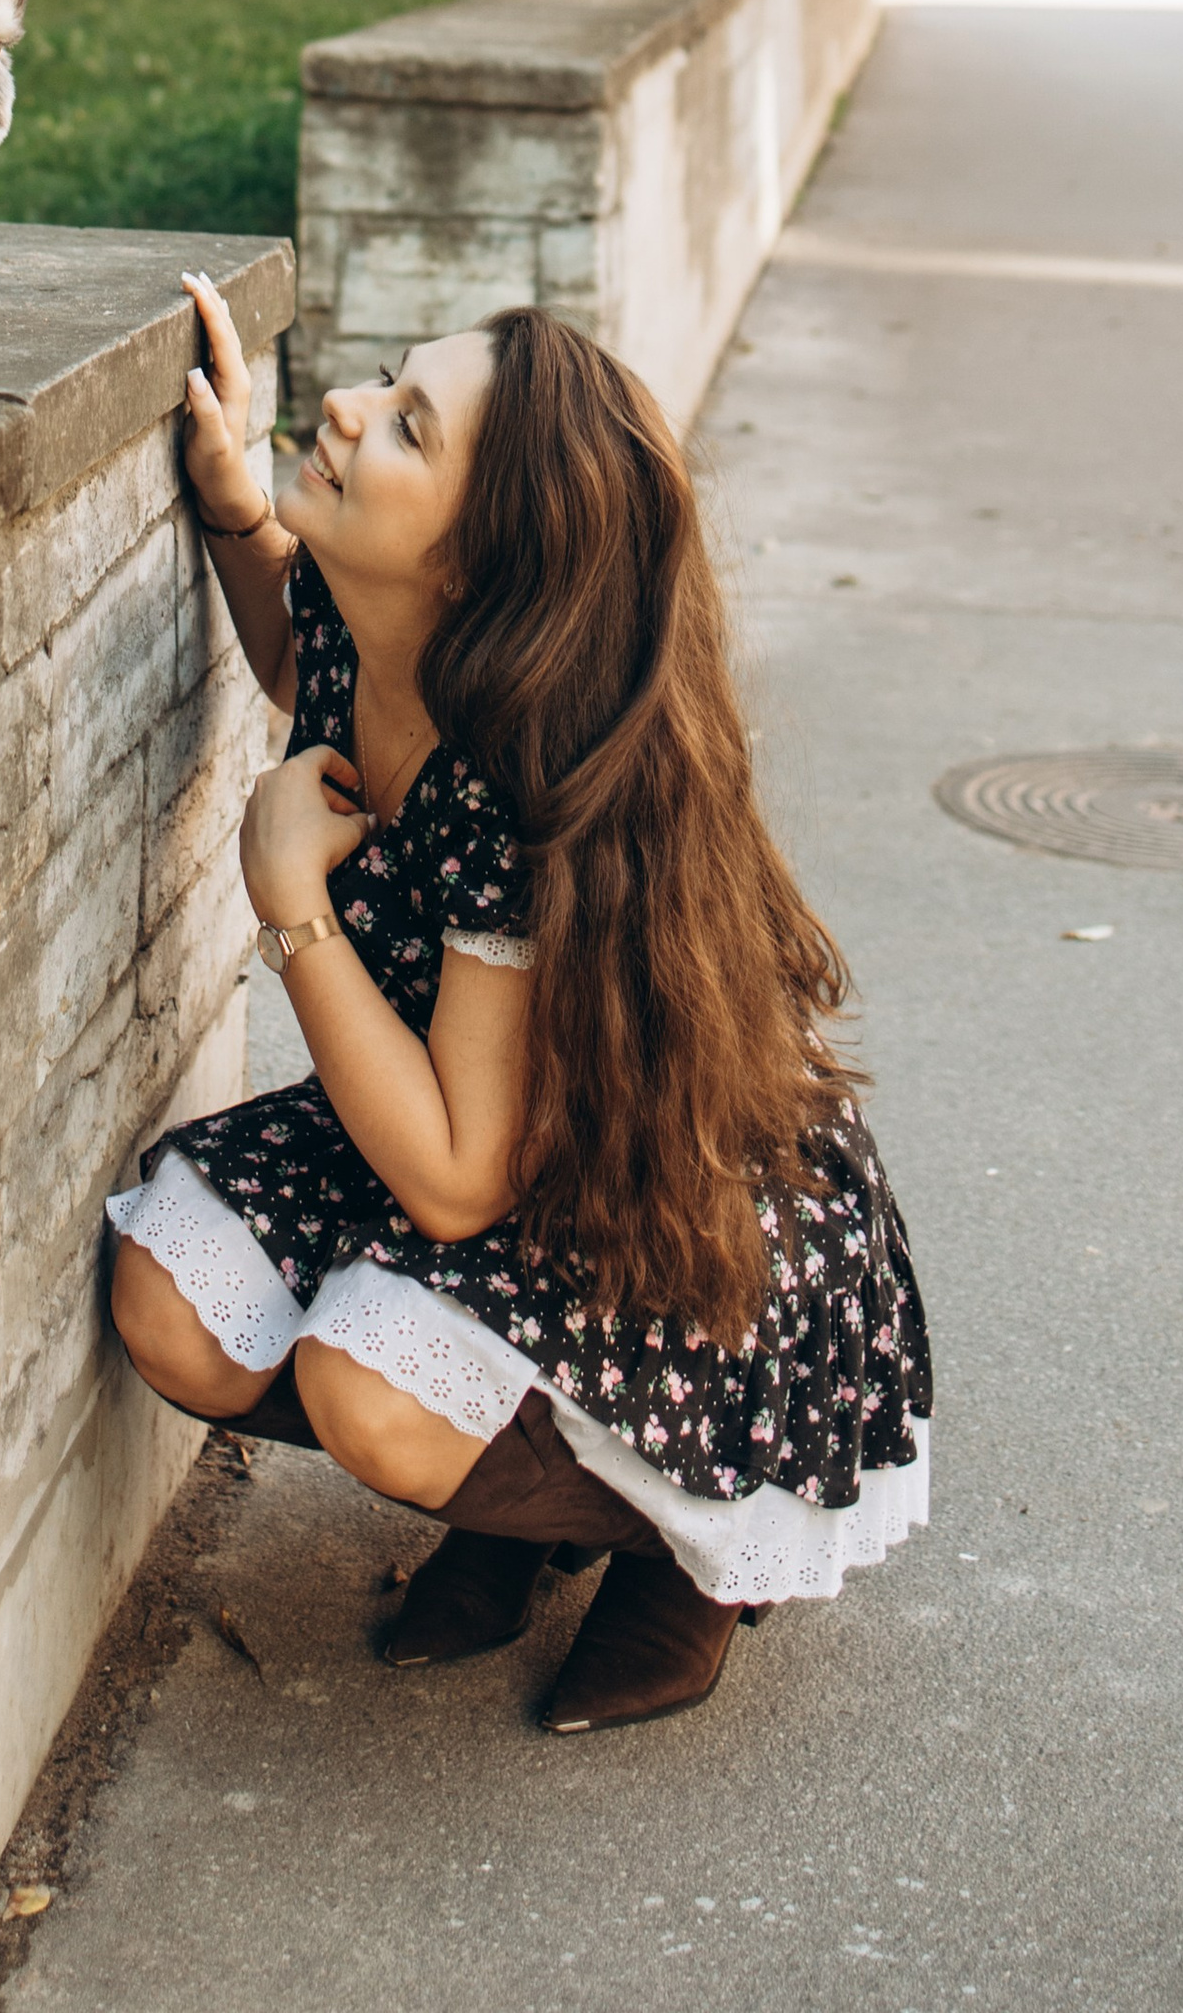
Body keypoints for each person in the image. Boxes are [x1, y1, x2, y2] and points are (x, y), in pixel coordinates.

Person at [107, 278, 933, 1735]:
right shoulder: (381, 626)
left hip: (669, 1220)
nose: (345, 407)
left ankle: (684, 1542)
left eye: (406, 427)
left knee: (369, 1394)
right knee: (171, 1308)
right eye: (387, 381)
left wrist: (289, 905)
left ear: (478, 571)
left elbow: (452, 1181)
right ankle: (516, 1495)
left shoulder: (515, 783)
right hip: (489, 1134)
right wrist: (238, 507)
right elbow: (300, 655)